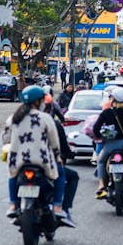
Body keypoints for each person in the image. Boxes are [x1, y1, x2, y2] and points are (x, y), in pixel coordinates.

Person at [3, 84, 74, 226]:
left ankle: (13, 205)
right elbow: (54, 143)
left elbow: (5, 139)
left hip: (18, 161)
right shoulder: (45, 118)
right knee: (61, 175)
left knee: (13, 175)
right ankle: (58, 206)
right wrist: (58, 157)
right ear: (38, 102)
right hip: (42, 161)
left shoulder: (13, 119)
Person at [42, 91, 79, 223]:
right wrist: (66, 154)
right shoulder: (52, 124)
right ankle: (61, 207)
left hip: (23, 162)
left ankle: (14, 205)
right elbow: (58, 145)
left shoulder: (19, 119)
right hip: (46, 163)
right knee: (67, 175)